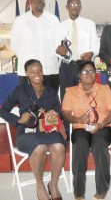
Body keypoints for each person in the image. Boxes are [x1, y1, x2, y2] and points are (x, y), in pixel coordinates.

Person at [0, 59, 66, 200]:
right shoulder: (20, 90)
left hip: (48, 132)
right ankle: (40, 185)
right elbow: (3, 110)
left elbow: (59, 111)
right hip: (26, 133)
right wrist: (17, 119)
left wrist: (55, 113)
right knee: (39, 147)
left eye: (39, 70)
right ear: (27, 73)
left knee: (60, 146)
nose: (37, 74)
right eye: (33, 71)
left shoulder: (51, 92)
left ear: (43, 71)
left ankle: (53, 185)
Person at [61, 61, 111, 200]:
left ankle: (101, 191)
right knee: (80, 145)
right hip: (81, 127)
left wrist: (102, 124)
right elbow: (65, 113)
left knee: (99, 143)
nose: (89, 74)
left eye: (92, 71)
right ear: (79, 75)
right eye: (85, 71)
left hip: (103, 127)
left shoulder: (105, 89)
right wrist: (78, 120)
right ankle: (79, 194)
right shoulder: (70, 91)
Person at [56, 0, 100, 137]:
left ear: (80, 7)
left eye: (77, 4)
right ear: (67, 7)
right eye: (72, 4)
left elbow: (96, 45)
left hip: (84, 66)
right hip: (67, 66)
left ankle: (88, 128)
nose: (74, 6)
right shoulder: (60, 26)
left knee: (87, 97)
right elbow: (55, 47)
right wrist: (58, 51)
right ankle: (68, 132)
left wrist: (92, 52)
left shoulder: (89, 24)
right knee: (67, 99)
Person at [10, 0, 60, 92]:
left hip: (49, 69)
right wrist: (28, 60)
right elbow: (15, 44)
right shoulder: (20, 21)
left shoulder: (53, 19)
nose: (41, 0)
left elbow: (58, 42)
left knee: (50, 103)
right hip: (28, 72)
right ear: (30, 0)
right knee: (28, 104)